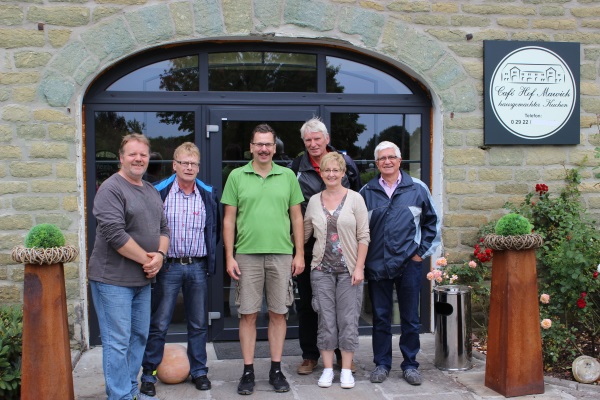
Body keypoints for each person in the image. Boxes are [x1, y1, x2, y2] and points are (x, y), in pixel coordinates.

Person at [221, 123, 305, 395]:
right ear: (251, 147)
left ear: (274, 147)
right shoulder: (236, 176)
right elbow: (229, 220)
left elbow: (297, 217)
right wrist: (229, 256)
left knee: (279, 314)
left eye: (268, 144)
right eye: (259, 144)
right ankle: (248, 371)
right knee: (247, 314)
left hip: (281, 254)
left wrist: (299, 253)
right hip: (246, 255)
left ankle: (276, 370)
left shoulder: (288, 176)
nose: (264, 149)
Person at [88, 133, 170, 400]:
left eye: (143, 154)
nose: (138, 159)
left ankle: (131, 391)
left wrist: (160, 255)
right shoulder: (111, 189)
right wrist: (149, 261)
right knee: (118, 342)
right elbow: (115, 235)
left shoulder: (150, 190)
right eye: (132, 154)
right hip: (112, 280)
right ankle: (120, 395)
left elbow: (164, 228)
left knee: (139, 338)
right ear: (121, 158)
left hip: (142, 281)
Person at [140, 142, 220, 396]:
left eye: (193, 163)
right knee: (159, 323)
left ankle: (199, 371)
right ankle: (149, 374)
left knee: (198, 324)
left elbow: (214, 230)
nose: (189, 167)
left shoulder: (207, 194)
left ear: (198, 167)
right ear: (174, 165)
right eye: (184, 163)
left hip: (197, 266)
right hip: (168, 267)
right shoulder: (159, 191)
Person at [359, 141, 441, 386]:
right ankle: (382, 364)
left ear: (399, 160)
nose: (387, 161)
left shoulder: (417, 188)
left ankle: (410, 364)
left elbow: (432, 223)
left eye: (391, 157)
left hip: (408, 264)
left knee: (410, 318)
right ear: (376, 163)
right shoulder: (366, 192)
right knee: (381, 318)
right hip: (377, 265)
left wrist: (420, 254)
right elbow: (358, 230)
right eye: (382, 158)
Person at [290, 117, 362, 375]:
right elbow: (292, 207)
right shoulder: (296, 167)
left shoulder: (346, 164)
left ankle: (343, 356)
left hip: (344, 249)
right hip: (311, 245)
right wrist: (297, 250)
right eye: (308, 140)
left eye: (317, 139)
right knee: (309, 304)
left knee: (343, 308)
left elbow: (356, 202)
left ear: (327, 139)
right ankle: (310, 356)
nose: (313, 144)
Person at [303, 152, 370, 389]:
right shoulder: (314, 201)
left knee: (348, 320)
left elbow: (364, 236)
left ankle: (347, 370)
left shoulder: (355, 199)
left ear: (342, 173)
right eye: (326, 170)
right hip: (321, 270)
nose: (331, 174)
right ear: (321, 173)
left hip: (349, 271)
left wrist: (359, 267)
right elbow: (304, 233)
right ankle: (328, 369)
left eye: (335, 170)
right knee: (326, 320)